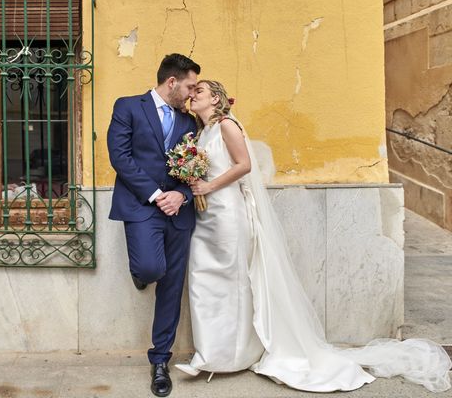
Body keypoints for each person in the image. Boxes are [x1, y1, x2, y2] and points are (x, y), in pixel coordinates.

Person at [174, 80, 451, 393]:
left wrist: (209, 187)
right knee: (204, 282)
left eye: (200, 91)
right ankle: (212, 352)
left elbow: (244, 165)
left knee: (233, 284)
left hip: (227, 215)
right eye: (192, 91)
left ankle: (221, 355)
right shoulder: (201, 132)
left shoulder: (227, 126)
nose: (193, 94)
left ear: (216, 99)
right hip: (206, 217)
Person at [107, 53, 200, 397]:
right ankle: (141, 274)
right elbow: (120, 157)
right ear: (171, 82)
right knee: (149, 267)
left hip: (178, 212)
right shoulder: (128, 106)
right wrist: (156, 194)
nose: (191, 93)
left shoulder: (189, 122)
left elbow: (196, 166)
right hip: (141, 206)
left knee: (172, 287)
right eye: (189, 86)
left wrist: (181, 197)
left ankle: (160, 360)